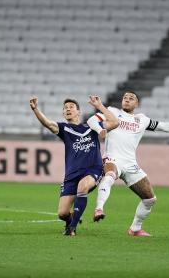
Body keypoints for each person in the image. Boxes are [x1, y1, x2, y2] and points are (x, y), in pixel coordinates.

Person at [87, 91, 169, 236]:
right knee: (109, 176)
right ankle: (99, 208)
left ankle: (135, 228)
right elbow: (91, 120)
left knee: (150, 199)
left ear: (137, 104)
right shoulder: (112, 112)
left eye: (131, 98)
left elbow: (164, 126)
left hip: (131, 164)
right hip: (112, 157)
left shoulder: (142, 120)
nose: (127, 100)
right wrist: (100, 129)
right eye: (125, 98)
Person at [30, 95, 118, 236]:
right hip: (72, 174)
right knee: (62, 213)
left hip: (92, 170)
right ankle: (71, 219)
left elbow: (114, 122)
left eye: (71, 107)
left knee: (82, 187)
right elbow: (48, 123)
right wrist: (35, 109)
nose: (68, 109)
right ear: (63, 114)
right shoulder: (64, 129)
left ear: (79, 112)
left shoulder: (92, 126)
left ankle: (72, 227)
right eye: (65, 108)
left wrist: (100, 106)